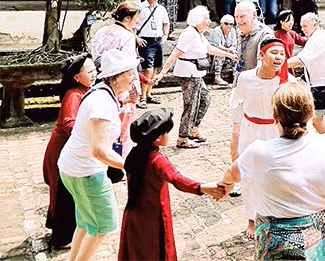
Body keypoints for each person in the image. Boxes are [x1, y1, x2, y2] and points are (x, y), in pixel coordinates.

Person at [218, 82, 325, 260]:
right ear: (311, 114)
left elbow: (231, 175)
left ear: (274, 117)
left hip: (274, 240)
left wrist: (225, 185)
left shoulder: (257, 152)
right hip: (317, 237)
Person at [57, 49, 137, 261]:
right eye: (129, 73)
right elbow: (100, 150)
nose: (134, 77)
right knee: (102, 226)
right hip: (87, 172)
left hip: (73, 167)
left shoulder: (103, 92)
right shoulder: (102, 101)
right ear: (115, 76)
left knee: (85, 221)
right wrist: (131, 166)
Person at [118, 109, 224, 261]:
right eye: (166, 132)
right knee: (159, 253)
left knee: (136, 252)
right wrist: (202, 187)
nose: (168, 135)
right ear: (157, 138)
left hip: (134, 215)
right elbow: (176, 178)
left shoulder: (134, 155)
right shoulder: (157, 160)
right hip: (155, 219)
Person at [229, 38, 295, 237]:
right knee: (249, 176)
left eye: (282, 54)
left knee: (278, 175)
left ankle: (277, 216)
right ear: (261, 55)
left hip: (276, 132)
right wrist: (236, 126)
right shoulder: (246, 77)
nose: (279, 57)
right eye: (274, 52)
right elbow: (236, 101)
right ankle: (252, 218)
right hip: (251, 130)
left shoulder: (288, 81)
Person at [154, 6, 238, 148]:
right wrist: (162, 73)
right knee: (191, 105)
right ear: (198, 20)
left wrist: (229, 54)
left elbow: (210, 49)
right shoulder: (189, 33)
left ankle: (193, 129)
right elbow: (174, 54)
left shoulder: (198, 33)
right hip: (188, 73)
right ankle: (182, 138)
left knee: (205, 99)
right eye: (206, 19)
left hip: (196, 73)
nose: (209, 21)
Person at [42, 53, 96, 249]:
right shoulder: (74, 94)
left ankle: (63, 230)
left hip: (72, 148)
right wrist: (90, 134)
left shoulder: (86, 90)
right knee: (63, 193)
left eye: (94, 70)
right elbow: (68, 123)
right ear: (76, 77)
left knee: (68, 193)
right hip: (62, 150)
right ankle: (61, 237)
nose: (94, 74)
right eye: (89, 72)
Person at [228, 0, 276, 194]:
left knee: (264, 136)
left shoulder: (265, 34)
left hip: (260, 92)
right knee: (237, 133)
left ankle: (267, 176)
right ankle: (238, 176)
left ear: (254, 15)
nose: (239, 20)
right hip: (241, 88)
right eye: (236, 16)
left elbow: (263, 65)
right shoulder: (240, 33)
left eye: (242, 17)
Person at [90, 2, 142, 154]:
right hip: (121, 84)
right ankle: (120, 162)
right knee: (122, 129)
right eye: (136, 18)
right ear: (127, 18)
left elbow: (93, 55)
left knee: (104, 126)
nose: (136, 22)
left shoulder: (101, 31)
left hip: (100, 81)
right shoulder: (127, 36)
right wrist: (135, 91)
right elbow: (129, 66)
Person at [135, 0, 170, 108]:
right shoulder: (140, 7)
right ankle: (142, 97)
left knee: (155, 68)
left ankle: (149, 94)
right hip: (145, 40)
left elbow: (166, 23)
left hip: (158, 40)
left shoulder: (161, 8)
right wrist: (136, 38)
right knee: (147, 69)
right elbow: (132, 24)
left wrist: (165, 36)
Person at [273, 10, 307, 75]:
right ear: (281, 22)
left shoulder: (292, 34)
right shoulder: (275, 35)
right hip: (279, 64)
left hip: (289, 64)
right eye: (288, 20)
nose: (291, 23)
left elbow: (303, 41)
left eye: (292, 20)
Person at [209, 14, 238, 85]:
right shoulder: (217, 31)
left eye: (231, 24)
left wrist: (231, 50)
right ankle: (217, 77)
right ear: (222, 23)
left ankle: (235, 76)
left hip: (228, 50)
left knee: (236, 54)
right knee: (220, 54)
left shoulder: (233, 31)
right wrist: (228, 51)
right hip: (215, 51)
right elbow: (217, 45)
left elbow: (234, 44)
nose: (229, 26)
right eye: (226, 23)